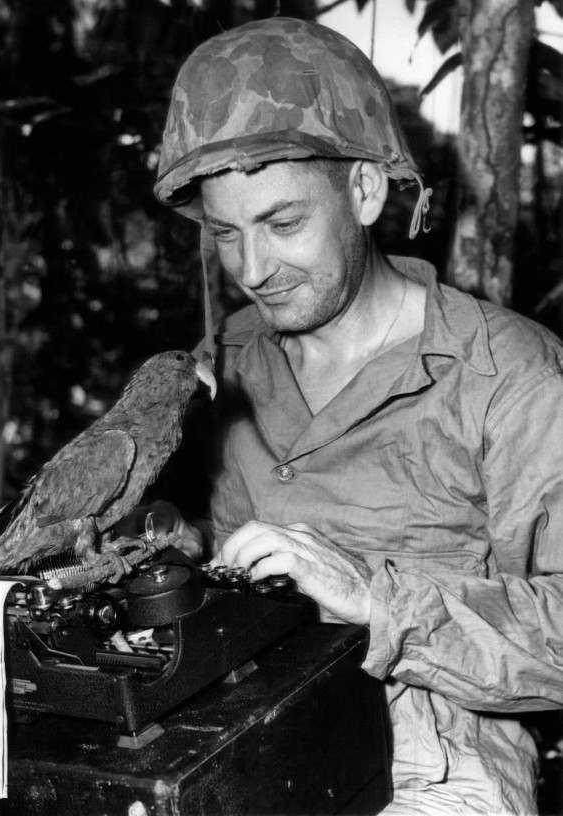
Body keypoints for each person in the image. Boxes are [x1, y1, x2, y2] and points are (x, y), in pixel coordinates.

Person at [150, 17, 563, 815]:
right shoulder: (228, 356)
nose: (253, 269)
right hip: (227, 735)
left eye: (283, 224)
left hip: (426, 762)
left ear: (366, 190)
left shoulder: (510, 377)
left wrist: (378, 600)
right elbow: (193, 539)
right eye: (226, 233)